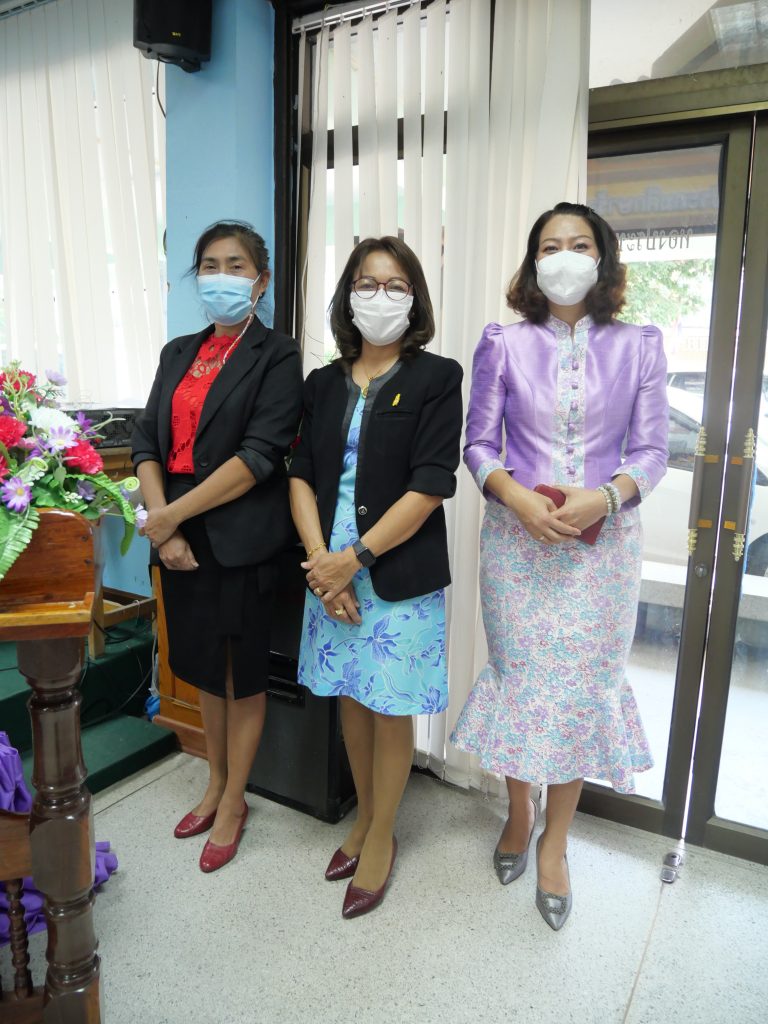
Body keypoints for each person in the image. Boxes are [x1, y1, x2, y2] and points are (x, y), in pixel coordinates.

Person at [451, 201, 669, 930]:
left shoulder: (639, 345)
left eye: (580, 244)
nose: (565, 256)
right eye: (550, 246)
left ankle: (556, 842)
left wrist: (604, 497)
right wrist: (516, 498)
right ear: (533, 261)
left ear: (601, 259)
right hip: (517, 545)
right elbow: (478, 444)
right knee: (520, 685)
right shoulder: (503, 343)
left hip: (602, 553)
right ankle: (519, 813)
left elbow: (653, 452)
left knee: (580, 694)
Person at [288, 236, 463, 919]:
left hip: (393, 565)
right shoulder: (322, 383)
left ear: (414, 299)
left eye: (395, 285)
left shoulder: (436, 377)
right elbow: (301, 475)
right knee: (351, 699)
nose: (380, 296)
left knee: (390, 705)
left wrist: (352, 560)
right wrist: (321, 565)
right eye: (367, 283)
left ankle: (382, 835)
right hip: (325, 567)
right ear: (347, 295)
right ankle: (363, 817)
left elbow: (431, 484)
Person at [131, 221, 303, 873]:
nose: (221, 276)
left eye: (236, 265)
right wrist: (167, 527)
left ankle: (234, 801)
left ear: (261, 280)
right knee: (204, 667)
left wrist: (169, 517)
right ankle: (213, 782)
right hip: (176, 532)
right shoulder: (177, 351)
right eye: (210, 265)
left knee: (241, 674)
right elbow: (146, 440)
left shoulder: (278, 354)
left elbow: (260, 456)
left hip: (240, 536)